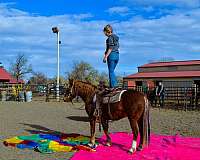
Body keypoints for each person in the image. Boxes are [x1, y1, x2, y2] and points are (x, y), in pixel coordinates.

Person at [103, 24, 119, 89]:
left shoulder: (109, 38)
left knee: (111, 71)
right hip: (117, 55)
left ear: (106, 31)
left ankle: (113, 86)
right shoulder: (116, 38)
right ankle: (111, 85)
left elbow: (110, 48)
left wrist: (105, 56)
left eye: (104, 32)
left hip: (111, 55)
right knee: (112, 71)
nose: (104, 34)